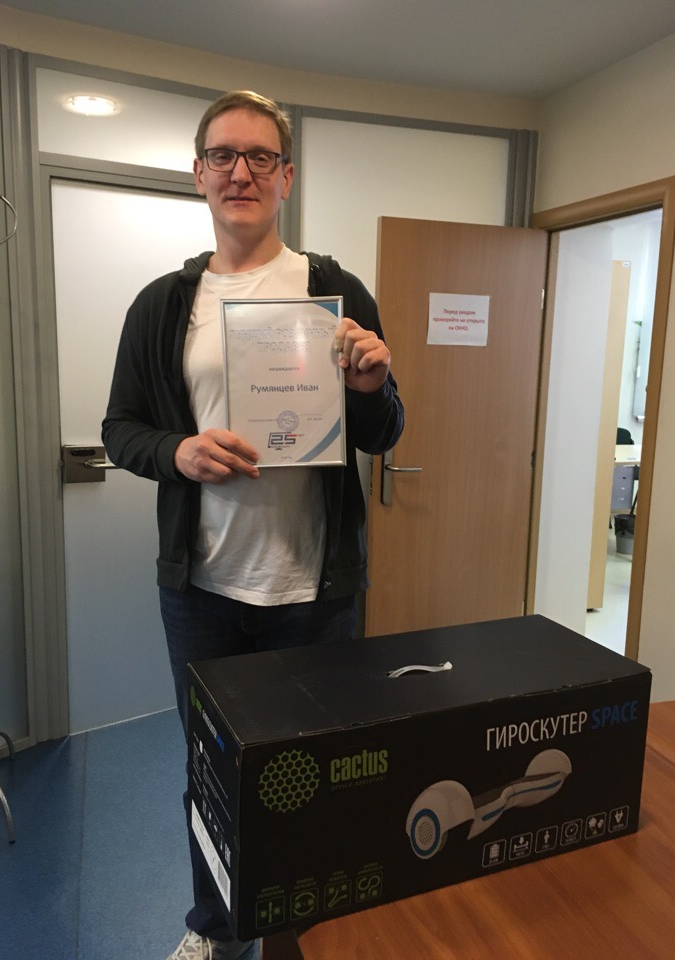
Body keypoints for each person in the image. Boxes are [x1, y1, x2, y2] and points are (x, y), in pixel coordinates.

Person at [102, 90, 404, 960]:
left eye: (261, 157)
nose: (242, 171)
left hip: (314, 589)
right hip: (202, 590)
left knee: (311, 773)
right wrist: (178, 452)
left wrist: (373, 386)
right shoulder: (164, 305)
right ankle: (216, 927)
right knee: (210, 770)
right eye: (224, 156)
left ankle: (299, 931)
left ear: (286, 178)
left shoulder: (335, 290)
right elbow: (121, 429)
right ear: (199, 173)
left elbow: (384, 433)